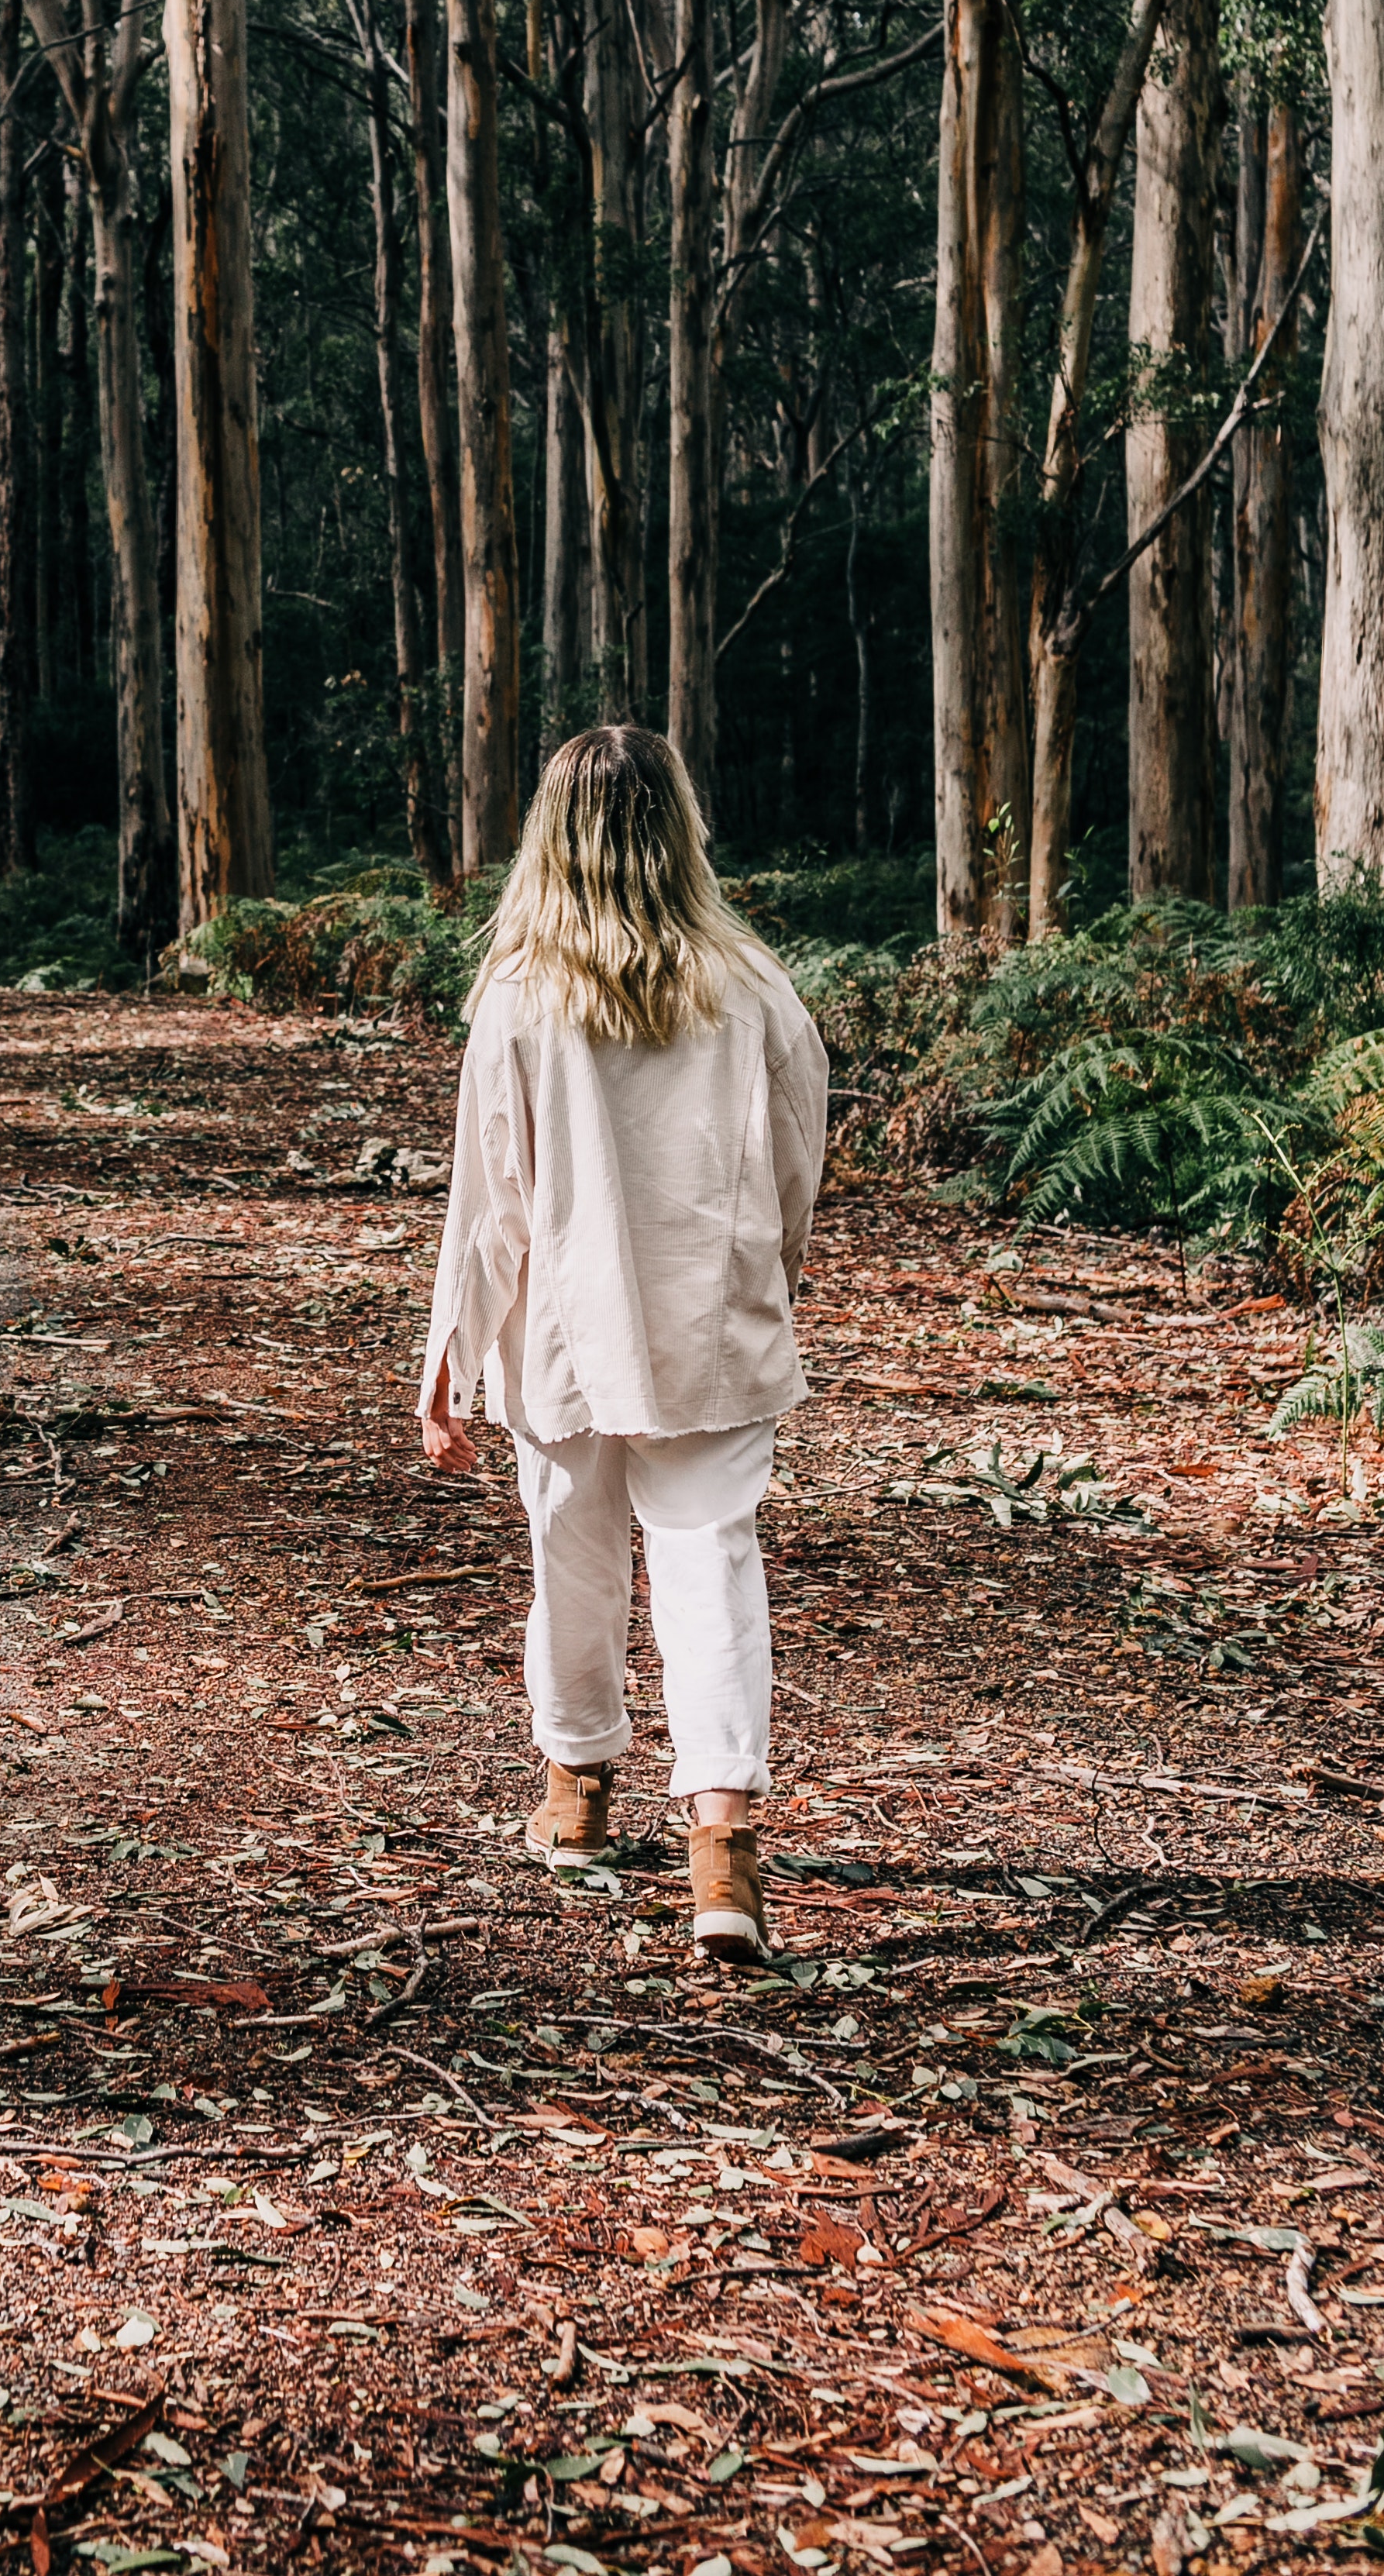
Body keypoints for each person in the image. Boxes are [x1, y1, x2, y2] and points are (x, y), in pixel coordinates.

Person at [417, 725, 828, 1962]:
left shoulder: (523, 995)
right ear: (679, 827)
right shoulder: (750, 982)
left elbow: (490, 1202)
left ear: (553, 840)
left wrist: (450, 1357)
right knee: (712, 1566)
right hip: (710, 1325)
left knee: (573, 1560)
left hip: (563, 1331)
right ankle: (722, 1851)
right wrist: (769, 1274)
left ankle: (578, 1793)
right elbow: (799, 1154)